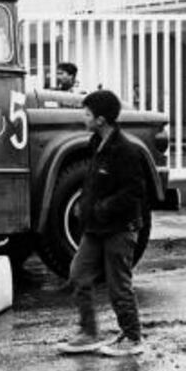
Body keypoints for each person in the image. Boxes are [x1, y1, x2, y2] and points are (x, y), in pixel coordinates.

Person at [57, 90, 146, 356]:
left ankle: (133, 337)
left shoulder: (126, 150)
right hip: (95, 228)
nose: (83, 117)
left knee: (119, 285)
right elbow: (93, 182)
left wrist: (101, 208)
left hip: (120, 229)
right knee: (78, 275)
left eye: (87, 114)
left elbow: (133, 194)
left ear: (101, 119)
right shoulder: (96, 143)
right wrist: (84, 207)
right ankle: (89, 332)